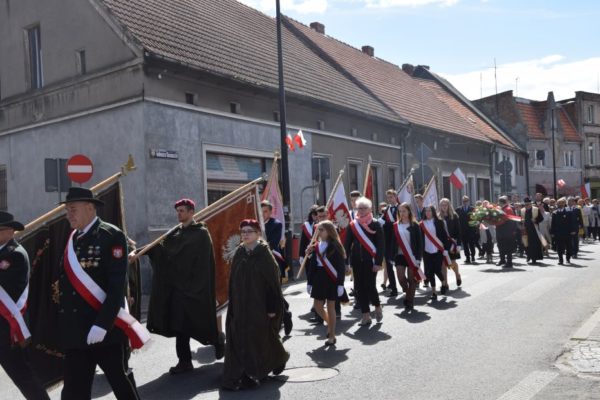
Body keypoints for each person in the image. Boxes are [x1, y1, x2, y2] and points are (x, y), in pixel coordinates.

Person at [58, 188, 143, 399]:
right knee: (73, 391)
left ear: (90, 208)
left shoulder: (110, 236)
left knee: (120, 384)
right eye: (67, 210)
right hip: (77, 333)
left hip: (104, 332)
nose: (69, 214)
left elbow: (116, 287)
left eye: (73, 209)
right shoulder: (72, 240)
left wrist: (102, 324)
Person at [139, 198, 223, 375]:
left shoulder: (201, 234)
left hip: (194, 288)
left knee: (200, 322)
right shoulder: (175, 234)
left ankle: (217, 340)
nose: (179, 214)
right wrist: (148, 250)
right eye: (177, 211)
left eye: (182, 211)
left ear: (192, 212)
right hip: (177, 290)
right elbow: (165, 252)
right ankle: (184, 362)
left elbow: (202, 263)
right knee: (179, 326)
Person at [222, 219, 289, 391]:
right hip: (239, 306)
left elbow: (273, 285)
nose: (245, 234)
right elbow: (234, 281)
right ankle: (243, 373)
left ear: (258, 233)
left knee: (261, 338)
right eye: (243, 231)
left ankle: (267, 365)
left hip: (260, 306)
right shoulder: (239, 253)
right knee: (239, 338)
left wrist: (272, 308)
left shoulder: (265, 255)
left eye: (249, 231)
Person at [0, 212, 50, 400]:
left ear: (10, 231)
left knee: (23, 376)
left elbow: (6, 287)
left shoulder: (15, 255)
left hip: (8, 328)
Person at [305, 220, 346, 346]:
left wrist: (340, 284)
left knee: (330, 306)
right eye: (317, 230)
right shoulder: (315, 246)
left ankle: (332, 335)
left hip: (331, 278)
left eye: (321, 230)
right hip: (319, 277)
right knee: (317, 306)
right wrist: (310, 282)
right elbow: (312, 265)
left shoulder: (335, 246)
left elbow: (340, 266)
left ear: (329, 231)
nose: (318, 232)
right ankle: (330, 324)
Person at [345, 197, 385, 326]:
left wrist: (378, 262)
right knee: (359, 288)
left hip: (371, 261)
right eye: (359, 208)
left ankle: (377, 306)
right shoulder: (353, 225)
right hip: (357, 260)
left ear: (369, 209)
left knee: (370, 286)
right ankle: (365, 316)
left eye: (364, 208)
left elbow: (381, 245)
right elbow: (347, 244)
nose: (361, 211)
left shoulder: (375, 223)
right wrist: (346, 262)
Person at [261, 201, 293, 336]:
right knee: (263, 294)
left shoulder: (276, 224)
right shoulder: (253, 223)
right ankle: (283, 313)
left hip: (272, 262)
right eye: (260, 211)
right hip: (257, 265)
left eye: (265, 212)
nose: (262, 214)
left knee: (274, 292)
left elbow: (272, 244)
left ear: (270, 212)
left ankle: (284, 316)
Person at [391, 203, 423, 311]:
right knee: (400, 278)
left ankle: (410, 301)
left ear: (409, 211)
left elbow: (420, 243)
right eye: (400, 211)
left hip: (412, 256)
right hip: (399, 255)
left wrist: (418, 258)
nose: (402, 213)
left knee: (411, 279)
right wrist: (391, 256)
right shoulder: (396, 225)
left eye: (404, 211)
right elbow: (392, 242)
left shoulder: (415, 225)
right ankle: (407, 292)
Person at [419, 206, 451, 299]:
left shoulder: (439, 222)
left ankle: (443, 282)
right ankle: (434, 292)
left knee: (437, 269)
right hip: (426, 251)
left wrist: (446, 249)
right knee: (429, 271)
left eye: (429, 211)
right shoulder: (421, 224)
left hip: (438, 249)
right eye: (426, 211)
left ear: (433, 212)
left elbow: (445, 237)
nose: (427, 213)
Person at [438, 198, 462, 287]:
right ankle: (445, 283)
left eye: (445, 205)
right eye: (442, 205)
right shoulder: (437, 217)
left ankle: (457, 275)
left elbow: (459, 231)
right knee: (443, 264)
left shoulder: (454, 216)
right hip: (442, 244)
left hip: (452, 244)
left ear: (449, 205)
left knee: (451, 262)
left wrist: (459, 244)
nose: (444, 207)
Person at [382, 190, 400, 297]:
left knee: (400, 265)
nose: (389, 199)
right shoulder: (386, 209)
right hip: (388, 241)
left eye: (391, 197)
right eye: (388, 197)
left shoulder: (401, 208)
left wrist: (386, 223)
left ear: (395, 197)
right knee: (388, 266)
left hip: (398, 240)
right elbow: (384, 222)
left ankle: (406, 283)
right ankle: (393, 288)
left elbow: (398, 223)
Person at [551, 198, 577, 265]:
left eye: (562, 203)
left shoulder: (569, 212)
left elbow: (572, 222)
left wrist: (573, 230)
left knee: (569, 247)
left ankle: (568, 259)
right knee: (559, 247)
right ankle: (560, 260)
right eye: (559, 203)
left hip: (567, 233)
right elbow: (553, 224)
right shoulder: (555, 213)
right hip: (558, 233)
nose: (560, 204)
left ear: (564, 204)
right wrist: (552, 232)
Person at [496, 196, 518, 269]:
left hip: (506, 231)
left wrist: (495, 223)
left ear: (502, 202)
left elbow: (505, 219)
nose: (498, 203)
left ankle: (509, 262)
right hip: (501, 231)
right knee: (500, 245)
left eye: (499, 202)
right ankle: (502, 260)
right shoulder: (502, 208)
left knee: (508, 247)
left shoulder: (508, 209)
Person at [521, 197, 544, 265]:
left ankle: (534, 258)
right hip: (526, 229)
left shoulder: (536, 209)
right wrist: (521, 221)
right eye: (525, 204)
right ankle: (528, 256)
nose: (527, 206)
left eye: (528, 204)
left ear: (531, 204)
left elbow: (541, 219)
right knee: (526, 243)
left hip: (534, 230)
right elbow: (520, 219)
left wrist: (536, 220)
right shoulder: (522, 210)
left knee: (534, 245)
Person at [456, 196, 478, 264]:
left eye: (466, 201)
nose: (465, 202)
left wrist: (475, 229)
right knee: (465, 245)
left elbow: (475, 219)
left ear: (468, 201)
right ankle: (467, 257)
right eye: (463, 201)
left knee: (471, 244)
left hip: (471, 230)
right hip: (462, 230)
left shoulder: (472, 209)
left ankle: (473, 256)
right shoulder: (458, 209)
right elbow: (456, 220)